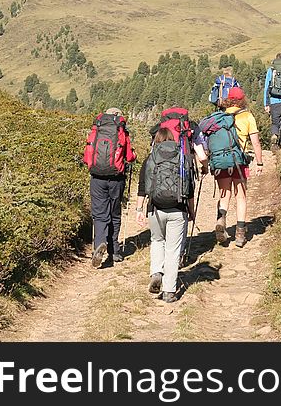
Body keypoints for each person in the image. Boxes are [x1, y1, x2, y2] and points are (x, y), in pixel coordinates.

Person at [134, 114, 208, 302]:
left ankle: (156, 272)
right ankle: (169, 291)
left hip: (155, 209)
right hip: (178, 208)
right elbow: (189, 189)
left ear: (155, 140)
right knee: (173, 250)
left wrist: (139, 210)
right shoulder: (183, 158)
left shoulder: (150, 159)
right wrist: (191, 211)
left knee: (157, 241)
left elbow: (143, 187)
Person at [82, 107, 136, 268]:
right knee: (114, 213)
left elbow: (87, 157)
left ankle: (99, 244)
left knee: (99, 215)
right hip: (116, 179)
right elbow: (129, 157)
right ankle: (114, 251)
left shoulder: (96, 129)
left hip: (97, 178)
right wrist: (134, 155)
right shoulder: (121, 132)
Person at [212, 87, 263, 248]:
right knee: (240, 196)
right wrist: (260, 163)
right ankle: (240, 234)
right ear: (242, 100)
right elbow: (255, 142)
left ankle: (221, 219)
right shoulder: (247, 116)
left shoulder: (221, 116)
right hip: (239, 161)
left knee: (224, 194)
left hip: (222, 160)